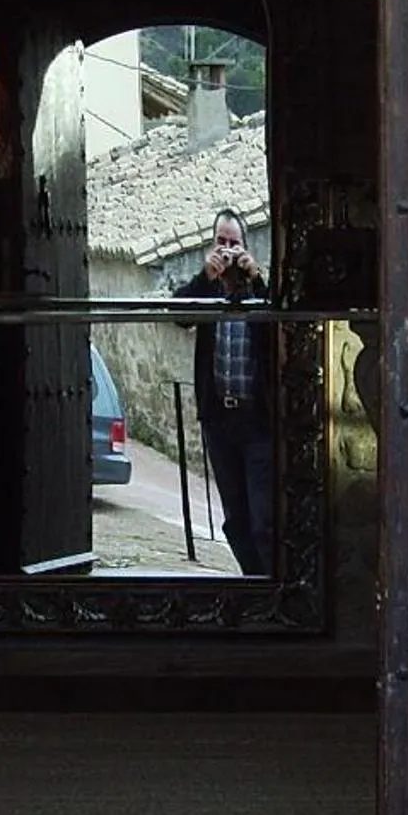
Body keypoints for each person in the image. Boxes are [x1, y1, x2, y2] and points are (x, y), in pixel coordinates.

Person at [171, 209, 277, 576]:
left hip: (258, 422)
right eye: (221, 242)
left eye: (234, 243)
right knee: (234, 518)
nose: (228, 250)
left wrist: (257, 277)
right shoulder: (206, 290)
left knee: (265, 516)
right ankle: (254, 584)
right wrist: (206, 275)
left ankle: (271, 587)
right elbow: (178, 313)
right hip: (219, 421)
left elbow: (281, 328)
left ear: (246, 246)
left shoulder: (260, 290)